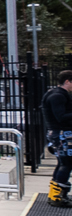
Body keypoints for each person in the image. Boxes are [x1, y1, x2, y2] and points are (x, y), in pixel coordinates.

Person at [43, 69, 72, 208]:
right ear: (67, 81)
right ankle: (57, 196)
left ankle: (55, 194)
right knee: (66, 163)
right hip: (62, 134)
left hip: (58, 134)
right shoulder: (58, 96)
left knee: (63, 163)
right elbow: (60, 117)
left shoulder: (55, 94)